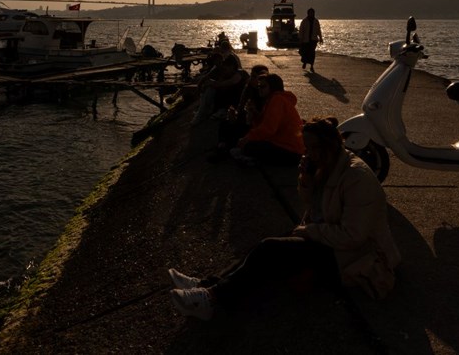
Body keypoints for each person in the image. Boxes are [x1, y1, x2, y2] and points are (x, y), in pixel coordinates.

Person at [169, 117, 401, 320]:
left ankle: (210, 299)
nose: (307, 154)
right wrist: (306, 181)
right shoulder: (328, 164)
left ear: (329, 145)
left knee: (270, 249)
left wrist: (309, 231)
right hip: (329, 240)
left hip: (357, 255)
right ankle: (207, 284)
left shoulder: (356, 178)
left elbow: (354, 236)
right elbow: (315, 207)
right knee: (264, 246)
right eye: (305, 148)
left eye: (311, 148)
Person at [231, 73, 304, 167]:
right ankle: (251, 157)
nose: (259, 89)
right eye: (259, 86)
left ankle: (252, 159)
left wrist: (247, 138)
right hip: (285, 145)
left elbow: (268, 129)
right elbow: (264, 124)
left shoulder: (277, 100)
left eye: (263, 86)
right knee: (246, 140)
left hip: (290, 150)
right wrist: (254, 114)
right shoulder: (273, 99)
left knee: (249, 146)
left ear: (273, 87)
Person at [207, 64, 270, 162]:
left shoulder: (267, 92)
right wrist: (235, 114)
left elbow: (265, 119)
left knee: (238, 130)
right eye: (252, 76)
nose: (252, 79)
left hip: (258, 124)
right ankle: (222, 146)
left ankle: (226, 150)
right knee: (225, 124)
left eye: (254, 77)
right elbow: (241, 106)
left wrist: (253, 113)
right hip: (250, 119)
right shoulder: (249, 87)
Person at [298, 8, 323, 72]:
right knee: (305, 53)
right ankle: (305, 62)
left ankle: (312, 66)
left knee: (312, 53)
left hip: (313, 40)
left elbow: (318, 30)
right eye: (310, 13)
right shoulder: (304, 21)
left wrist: (320, 38)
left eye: (312, 13)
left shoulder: (316, 21)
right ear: (308, 13)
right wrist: (300, 39)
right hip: (306, 40)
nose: (311, 14)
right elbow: (301, 30)